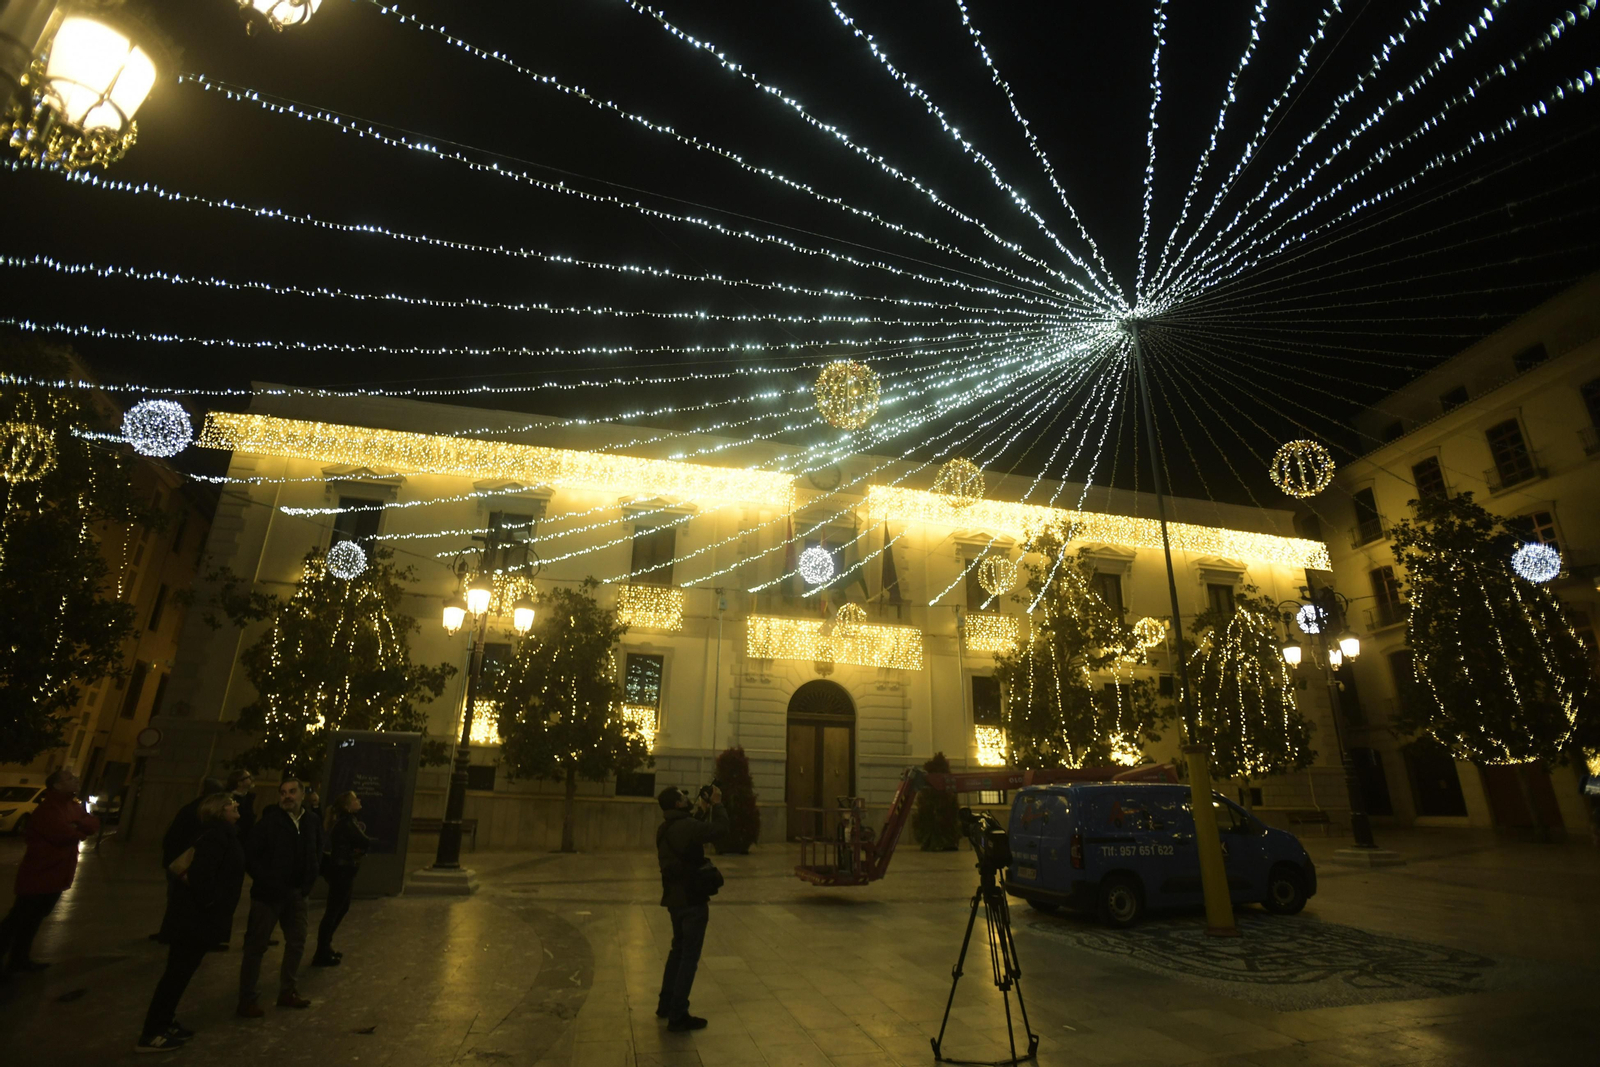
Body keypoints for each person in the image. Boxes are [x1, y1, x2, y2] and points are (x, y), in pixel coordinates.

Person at [136, 792, 246, 1053]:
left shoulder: (218, 832)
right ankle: (152, 1033)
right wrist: (212, 904)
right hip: (194, 919)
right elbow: (201, 877)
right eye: (231, 804)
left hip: (196, 917)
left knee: (180, 974)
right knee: (176, 975)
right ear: (220, 810)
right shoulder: (217, 835)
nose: (237, 806)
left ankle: (165, 1021)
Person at [0, 768, 99, 977]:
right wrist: (78, 830)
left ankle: (19, 960)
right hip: (39, 873)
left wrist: (77, 826)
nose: (75, 780)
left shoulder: (72, 806)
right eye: (69, 778)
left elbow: (92, 823)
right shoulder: (48, 809)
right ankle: (13, 959)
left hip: (58, 874)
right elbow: (62, 834)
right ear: (57, 785)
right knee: (19, 919)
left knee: (33, 920)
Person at [237, 776, 321, 1017]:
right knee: (256, 946)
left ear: (302, 794)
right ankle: (247, 999)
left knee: (296, 942)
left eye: (292, 791)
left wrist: (308, 883)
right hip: (268, 895)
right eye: (283, 792)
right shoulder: (269, 822)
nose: (287, 796)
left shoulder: (312, 821)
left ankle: (288, 991)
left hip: (297, 893)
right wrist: (269, 882)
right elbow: (252, 857)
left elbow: (315, 851)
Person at [654, 784, 727, 1032]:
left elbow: (687, 835)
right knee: (688, 957)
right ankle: (678, 1014)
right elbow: (719, 830)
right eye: (683, 797)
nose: (687, 798)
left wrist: (702, 811)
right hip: (692, 899)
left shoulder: (665, 828)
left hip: (674, 900)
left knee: (678, 951)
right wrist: (717, 804)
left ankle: (665, 1004)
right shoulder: (686, 826)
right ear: (677, 804)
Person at [154, 778, 226, 946]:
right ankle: (171, 934)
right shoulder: (201, 812)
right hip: (182, 864)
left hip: (178, 862)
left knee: (176, 901)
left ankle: (169, 933)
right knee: (178, 901)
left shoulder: (192, 808)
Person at [312, 791, 373, 967]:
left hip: (344, 869)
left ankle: (326, 946)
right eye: (355, 799)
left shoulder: (347, 821)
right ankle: (321, 951)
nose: (359, 800)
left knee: (341, 908)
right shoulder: (346, 822)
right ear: (347, 806)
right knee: (334, 910)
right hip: (342, 870)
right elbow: (364, 841)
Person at [227, 770, 258, 842]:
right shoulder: (228, 798)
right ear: (240, 783)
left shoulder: (250, 797)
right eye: (248, 777)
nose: (251, 779)